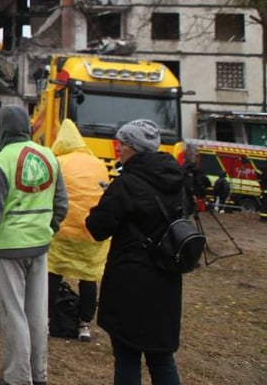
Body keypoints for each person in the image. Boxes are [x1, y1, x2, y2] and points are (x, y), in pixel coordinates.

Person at [0, 104, 68, 385]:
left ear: (0, 130)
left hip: (7, 249)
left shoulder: (0, 161)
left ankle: (17, 379)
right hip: (40, 246)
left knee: (13, 316)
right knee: (36, 315)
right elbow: (61, 205)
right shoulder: (49, 157)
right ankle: (38, 375)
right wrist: (45, 229)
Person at [86, 119, 187, 385]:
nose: (119, 148)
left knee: (128, 354)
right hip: (167, 277)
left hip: (130, 279)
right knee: (161, 357)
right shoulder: (176, 181)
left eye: (124, 143)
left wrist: (100, 204)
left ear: (135, 148)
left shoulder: (127, 184)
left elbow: (97, 228)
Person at [47, 119, 109, 342]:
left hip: (63, 229)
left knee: (53, 271)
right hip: (91, 231)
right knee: (88, 276)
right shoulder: (98, 163)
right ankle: (84, 324)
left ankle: (46, 319)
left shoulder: (57, 161)